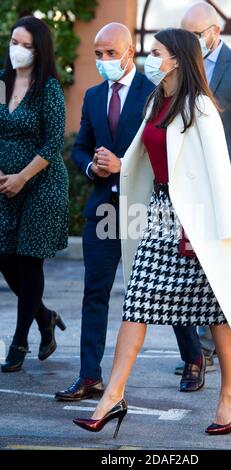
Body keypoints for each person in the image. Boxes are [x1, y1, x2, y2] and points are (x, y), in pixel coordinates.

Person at [73, 28, 231, 436]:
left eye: (155, 52)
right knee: (138, 301)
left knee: (216, 310)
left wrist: (214, 233)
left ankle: (229, 394)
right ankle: (112, 397)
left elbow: (218, 173)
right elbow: (140, 160)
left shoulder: (199, 107)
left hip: (196, 221)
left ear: (178, 59)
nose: (149, 58)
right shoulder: (156, 101)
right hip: (158, 213)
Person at [54, 23, 154, 402]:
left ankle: (194, 357)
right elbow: (80, 148)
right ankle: (89, 376)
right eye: (98, 54)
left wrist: (122, 166)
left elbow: (160, 153)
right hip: (102, 209)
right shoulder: (94, 97)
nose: (104, 60)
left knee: (155, 290)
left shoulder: (153, 93)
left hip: (141, 209)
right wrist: (90, 168)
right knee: (94, 292)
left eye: (111, 53)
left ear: (130, 52)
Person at [174, 1, 231, 375]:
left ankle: (209, 347)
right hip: (186, 185)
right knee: (187, 265)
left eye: (196, 35)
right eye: (186, 35)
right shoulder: (178, 67)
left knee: (219, 266)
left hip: (226, 186)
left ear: (216, 32)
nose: (191, 42)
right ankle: (197, 348)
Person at [0, 16, 68, 373]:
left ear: (39, 50)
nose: (18, 50)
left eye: (27, 45)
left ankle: (20, 340)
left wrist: (22, 177)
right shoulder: (1, 82)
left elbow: (53, 141)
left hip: (41, 184)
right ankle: (45, 316)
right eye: (15, 42)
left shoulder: (48, 89)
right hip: (3, 185)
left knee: (30, 260)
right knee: (4, 256)